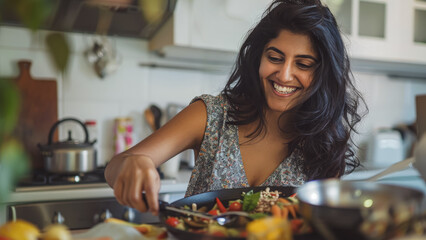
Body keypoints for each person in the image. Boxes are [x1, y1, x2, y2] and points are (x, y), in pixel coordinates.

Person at [105, 0, 366, 216]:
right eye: (274, 57)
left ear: (323, 73)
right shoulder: (211, 114)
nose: (285, 75)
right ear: (258, 57)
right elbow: (114, 168)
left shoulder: (325, 147)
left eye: (304, 64)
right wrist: (134, 162)